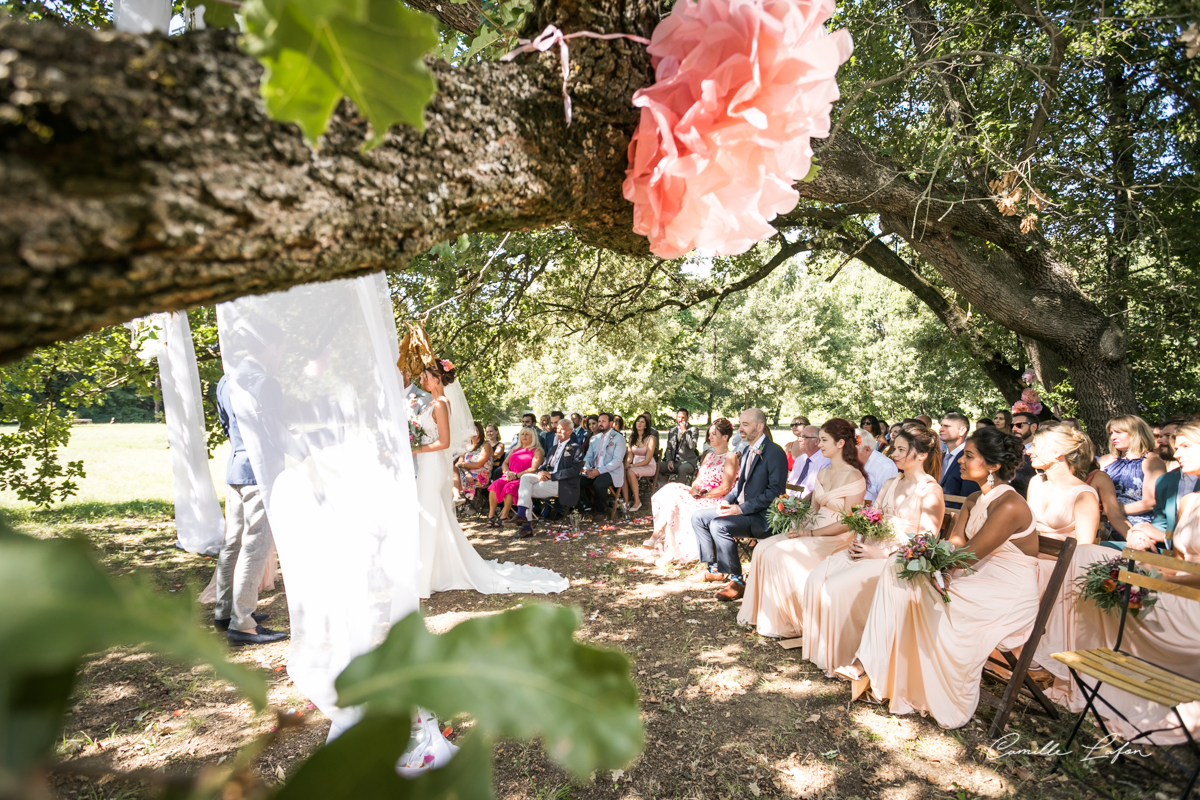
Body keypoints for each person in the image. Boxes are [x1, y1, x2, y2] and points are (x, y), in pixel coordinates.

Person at [840, 426, 1039, 729]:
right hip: (974, 576)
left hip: (1006, 590)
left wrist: (932, 567)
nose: (960, 461)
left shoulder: (1010, 504)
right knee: (900, 571)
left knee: (910, 581)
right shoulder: (973, 499)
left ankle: (875, 668)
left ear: (993, 466)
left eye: (969, 456)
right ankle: (874, 667)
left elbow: (968, 555)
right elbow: (955, 545)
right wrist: (924, 559)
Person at [1035, 420, 1200, 745]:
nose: (1174, 452)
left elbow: (1177, 571)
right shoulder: (1189, 502)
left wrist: (1158, 576)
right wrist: (1152, 545)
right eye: (1176, 446)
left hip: (1190, 605)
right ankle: (1067, 668)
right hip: (1176, 592)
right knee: (1089, 563)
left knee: (1090, 561)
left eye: (1184, 446)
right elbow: (1178, 559)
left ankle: (1056, 662)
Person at [411, 359, 567, 597]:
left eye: (425, 375)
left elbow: (443, 442)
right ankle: (434, 570)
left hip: (433, 465)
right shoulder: (431, 403)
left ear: (438, 377)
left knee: (432, 514)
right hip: (428, 464)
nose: (421, 378)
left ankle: (428, 575)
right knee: (432, 515)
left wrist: (414, 448)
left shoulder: (441, 403)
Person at [803, 424, 944, 677]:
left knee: (833, 587)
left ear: (921, 455)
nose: (894, 454)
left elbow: (927, 542)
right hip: (869, 548)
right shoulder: (891, 483)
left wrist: (883, 554)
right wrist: (859, 540)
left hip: (896, 560)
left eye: (901, 449)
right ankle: (821, 652)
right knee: (816, 578)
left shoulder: (930, 490)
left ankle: (845, 655)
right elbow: (870, 518)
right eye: (894, 448)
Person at [735, 418, 865, 631]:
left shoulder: (854, 476)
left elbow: (848, 523)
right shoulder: (824, 472)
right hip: (812, 529)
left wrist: (810, 534)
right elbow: (812, 509)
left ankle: (788, 621)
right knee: (762, 548)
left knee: (780, 553)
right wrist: (797, 526)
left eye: (824, 440)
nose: (820, 445)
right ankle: (760, 614)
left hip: (836, 536)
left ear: (840, 443)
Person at [214, 366, 287, 645]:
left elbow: (225, 426)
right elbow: (275, 432)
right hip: (259, 472)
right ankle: (243, 623)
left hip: (236, 469)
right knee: (255, 545)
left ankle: (224, 613)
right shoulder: (265, 381)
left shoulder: (224, 381)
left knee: (232, 543)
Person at [691, 409, 789, 602]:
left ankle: (737, 580)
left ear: (760, 427)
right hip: (743, 511)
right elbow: (738, 486)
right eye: (740, 424)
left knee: (719, 525)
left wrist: (741, 509)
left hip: (762, 517)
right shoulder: (747, 450)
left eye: (746, 425)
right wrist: (726, 501)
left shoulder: (775, 452)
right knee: (699, 517)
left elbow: (775, 492)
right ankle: (714, 568)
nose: (740, 429)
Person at [646, 418, 740, 564]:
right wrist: (695, 487)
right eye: (709, 434)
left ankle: (661, 539)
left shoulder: (731, 457)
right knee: (671, 489)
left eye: (714, 434)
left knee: (677, 501)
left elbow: (725, 488)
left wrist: (705, 495)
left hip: (715, 498)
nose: (709, 437)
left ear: (725, 437)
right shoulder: (709, 455)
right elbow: (698, 479)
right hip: (701, 494)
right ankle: (663, 540)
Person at [1126, 422, 1199, 551]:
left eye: (1186, 446)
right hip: (1170, 552)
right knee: (1088, 550)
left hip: (1186, 558)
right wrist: (1141, 533)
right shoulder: (1165, 481)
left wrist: (1163, 537)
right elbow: (1161, 523)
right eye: (1176, 448)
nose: (1176, 454)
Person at [1026, 425, 1101, 544]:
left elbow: (1084, 546)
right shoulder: (1036, 482)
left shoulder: (1083, 494)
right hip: (1027, 553)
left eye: (1035, 446)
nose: (1028, 451)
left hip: (1060, 560)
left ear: (1057, 452)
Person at [514, 418, 584, 537]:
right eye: (557, 429)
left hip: (563, 483)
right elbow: (543, 465)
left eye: (562, 429)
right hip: (547, 479)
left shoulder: (576, 448)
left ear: (570, 432)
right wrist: (541, 472)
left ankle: (526, 527)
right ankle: (522, 516)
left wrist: (552, 475)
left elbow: (574, 470)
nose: (558, 431)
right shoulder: (553, 448)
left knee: (525, 491)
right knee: (525, 478)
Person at [1098, 414, 1166, 530]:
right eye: (1111, 433)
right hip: (1102, 521)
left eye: (1119, 432)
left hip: (1136, 524)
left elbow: (1150, 501)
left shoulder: (1152, 461)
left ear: (1136, 433)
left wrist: (1114, 512)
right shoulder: (1105, 460)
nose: (1113, 437)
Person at [487, 427, 543, 526]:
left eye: (527, 434)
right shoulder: (515, 449)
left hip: (524, 478)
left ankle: (504, 516)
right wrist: (508, 472)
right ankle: (491, 516)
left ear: (533, 436)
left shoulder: (537, 451)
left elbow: (533, 468)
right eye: (522, 434)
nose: (524, 436)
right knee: (495, 485)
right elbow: (504, 463)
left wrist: (516, 476)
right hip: (509, 475)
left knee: (510, 487)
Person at [581, 412, 627, 518]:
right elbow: (587, 457)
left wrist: (599, 471)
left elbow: (617, 461)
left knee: (599, 483)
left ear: (611, 423)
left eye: (603, 421)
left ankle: (600, 512)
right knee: (575, 481)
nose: (600, 423)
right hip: (594, 469)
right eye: (599, 421)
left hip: (611, 471)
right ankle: (587, 508)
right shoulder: (594, 438)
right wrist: (587, 469)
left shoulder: (618, 438)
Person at [937, 412, 979, 507]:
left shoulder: (970, 458)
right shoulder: (940, 456)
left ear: (962, 431)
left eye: (947, 426)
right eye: (941, 425)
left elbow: (968, 495)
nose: (941, 429)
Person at [623, 413, 658, 512]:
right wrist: (627, 464)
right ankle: (625, 501)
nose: (639, 423)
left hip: (648, 466)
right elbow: (630, 455)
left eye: (642, 422)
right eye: (638, 421)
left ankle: (637, 501)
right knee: (622, 471)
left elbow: (647, 460)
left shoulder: (651, 439)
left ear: (646, 425)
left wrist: (632, 466)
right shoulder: (631, 438)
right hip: (634, 465)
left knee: (630, 472)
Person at [452, 422, 493, 502]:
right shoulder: (467, 446)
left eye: (476, 431)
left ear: (480, 432)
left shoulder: (485, 445)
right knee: (448, 477)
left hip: (480, 475)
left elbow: (478, 464)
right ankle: (456, 499)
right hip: (467, 474)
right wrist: (466, 472)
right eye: (472, 431)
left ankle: (456, 498)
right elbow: (458, 464)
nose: (473, 433)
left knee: (449, 482)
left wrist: (463, 465)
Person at [659, 409, 701, 487]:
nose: (680, 420)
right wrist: (669, 460)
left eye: (683, 417)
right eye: (678, 417)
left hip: (687, 462)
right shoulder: (672, 431)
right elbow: (669, 448)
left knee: (682, 469)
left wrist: (685, 431)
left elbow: (692, 446)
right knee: (656, 467)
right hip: (674, 462)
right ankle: (663, 487)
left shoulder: (693, 430)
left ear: (687, 418)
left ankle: (678, 491)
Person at [786, 425, 829, 498]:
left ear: (817, 441)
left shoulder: (825, 461)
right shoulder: (800, 459)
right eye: (800, 436)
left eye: (804, 437)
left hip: (810, 504)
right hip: (792, 502)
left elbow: (819, 491)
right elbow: (791, 483)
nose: (799, 440)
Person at [857, 428, 898, 502]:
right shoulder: (848, 462)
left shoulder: (886, 467)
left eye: (852, 452)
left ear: (867, 450)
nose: (846, 455)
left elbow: (886, 502)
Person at [1009, 411, 1039, 497]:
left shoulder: (1041, 451)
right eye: (1012, 426)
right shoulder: (1008, 449)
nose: (1014, 429)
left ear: (1033, 427)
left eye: (1019, 425)